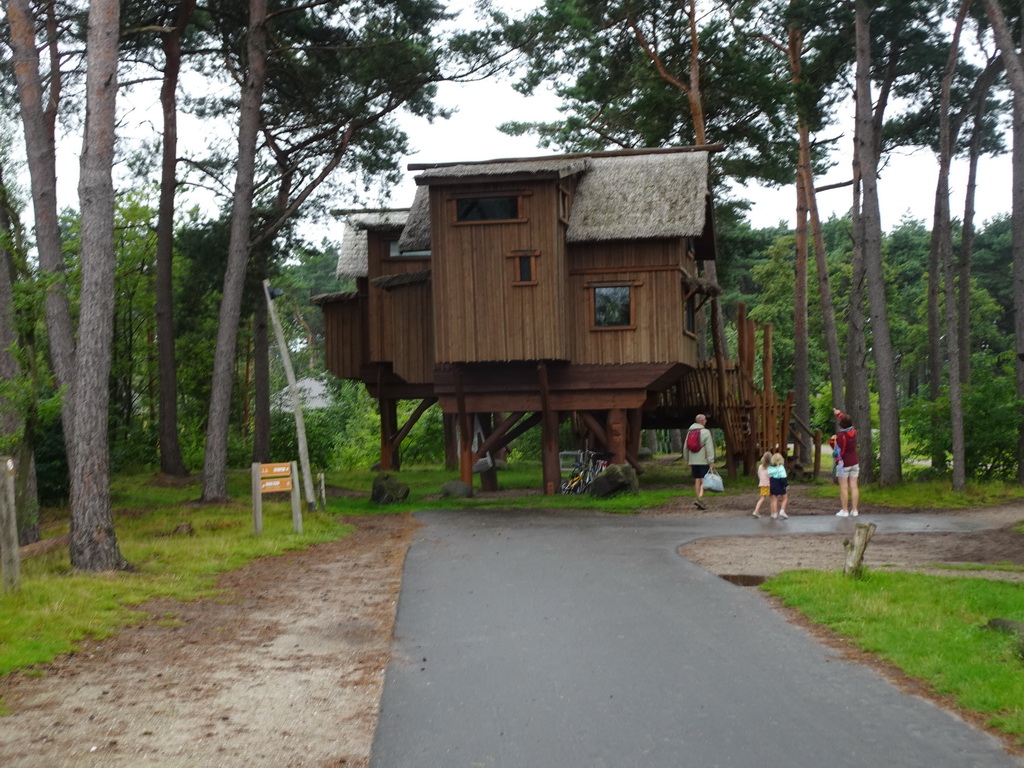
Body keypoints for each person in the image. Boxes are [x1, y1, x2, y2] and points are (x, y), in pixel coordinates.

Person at [833, 408, 860, 517]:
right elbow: (846, 422)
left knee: (844, 487)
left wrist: (832, 441)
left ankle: (845, 511)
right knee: (854, 486)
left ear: (841, 424)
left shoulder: (840, 436)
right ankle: (855, 510)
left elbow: (837, 450)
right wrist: (838, 414)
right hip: (855, 462)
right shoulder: (854, 432)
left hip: (843, 464)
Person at [686, 413, 715, 510]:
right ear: (702, 421)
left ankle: (698, 497)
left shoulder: (690, 432)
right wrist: (711, 461)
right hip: (703, 459)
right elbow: (709, 448)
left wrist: (687, 458)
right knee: (704, 479)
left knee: (697, 479)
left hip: (693, 460)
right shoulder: (706, 432)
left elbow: (685, 447)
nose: (706, 421)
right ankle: (700, 498)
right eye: (705, 420)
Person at [767, 452, 789, 519]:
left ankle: (775, 514)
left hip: (772, 483)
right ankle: (782, 511)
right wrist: (786, 485)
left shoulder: (769, 468)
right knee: (785, 498)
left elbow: (768, 475)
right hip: (780, 484)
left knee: (774, 500)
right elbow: (783, 478)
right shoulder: (781, 468)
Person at [752, 451, 771, 518]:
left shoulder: (760, 466)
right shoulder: (769, 468)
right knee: (773, 498)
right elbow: (770, 476)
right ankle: (773, 512)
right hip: (769, 485)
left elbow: (759, 474)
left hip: (762, 484)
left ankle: (756, 510)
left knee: (762, 498)